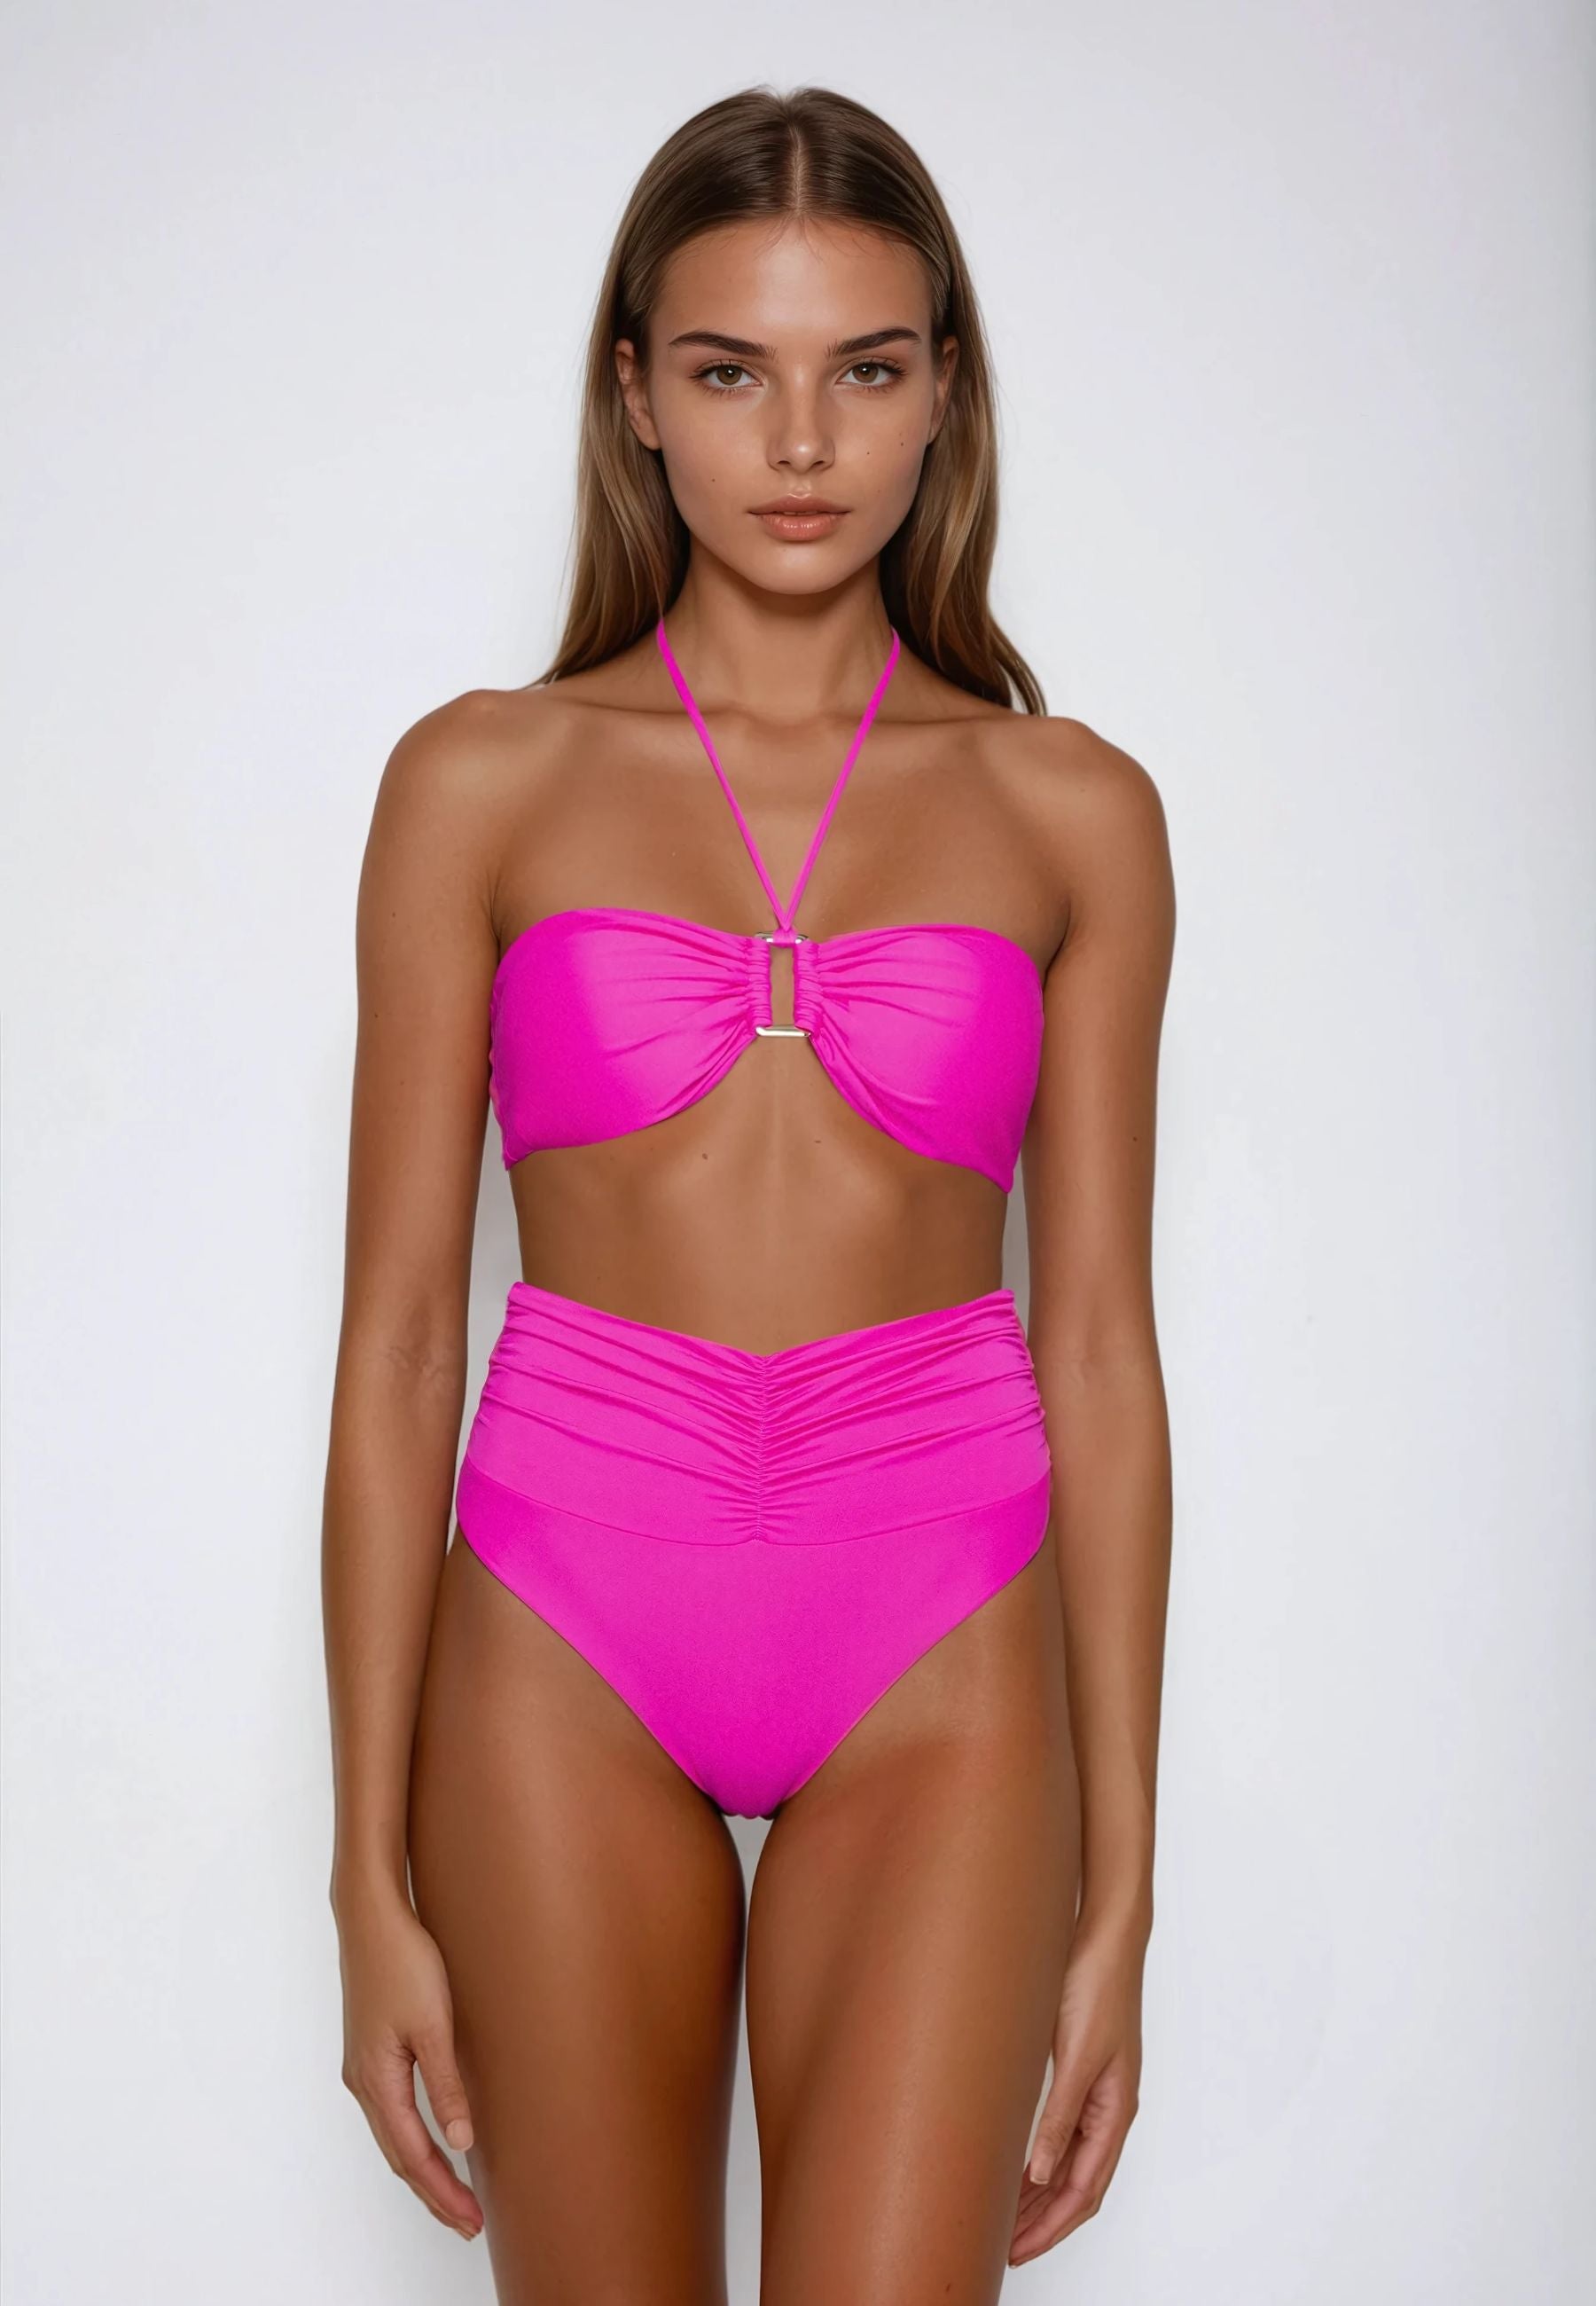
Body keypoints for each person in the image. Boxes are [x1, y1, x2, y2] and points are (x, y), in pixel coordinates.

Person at [323, 82, 1175, 2303]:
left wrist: (1125, 1893)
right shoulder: (480, 780)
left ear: (943, 389)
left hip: (941, 1627)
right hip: (563, 1623)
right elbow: (400, 1338)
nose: (801, 442)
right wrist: (361, 1876)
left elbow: (1098, 1344)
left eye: (863, 369)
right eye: (731, 371)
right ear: (635, 393)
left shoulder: (1073, 809)